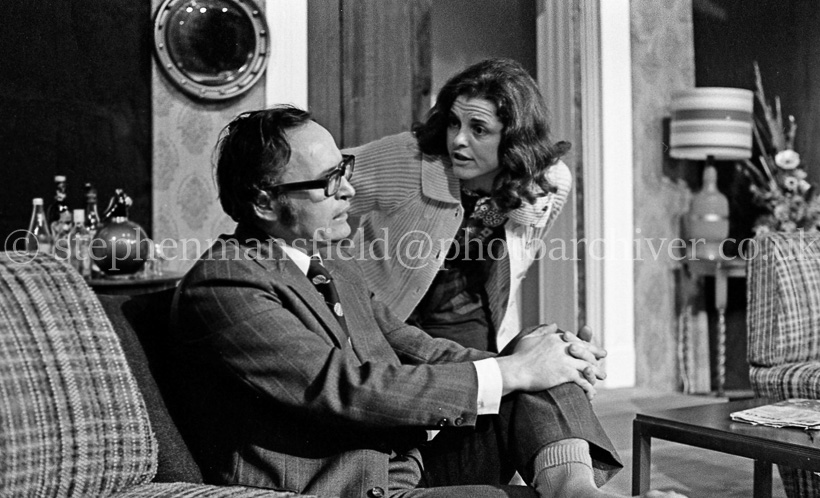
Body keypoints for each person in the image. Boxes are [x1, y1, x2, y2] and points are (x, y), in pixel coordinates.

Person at [170, 106, 683, 498]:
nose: (349, 190)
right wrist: (513, 370)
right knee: (519, 375)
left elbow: (416, 345)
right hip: (344, 487)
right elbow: (346, 389)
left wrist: (543, 361)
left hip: (406, 464)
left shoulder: (329, 261)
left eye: (343, 168)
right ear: (264, 201)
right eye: (328, 182)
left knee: (536, 353)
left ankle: (577, 492)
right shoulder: (227, 282)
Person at [345, 58, 571, 353]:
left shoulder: (547, 183)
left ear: (515, 138)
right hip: (383, 315)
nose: (459, 140)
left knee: (481, 380)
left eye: (479, 129)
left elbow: (523, 250)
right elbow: (315, 182)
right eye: (454, 122)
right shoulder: (409, 158)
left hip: (466, 317)